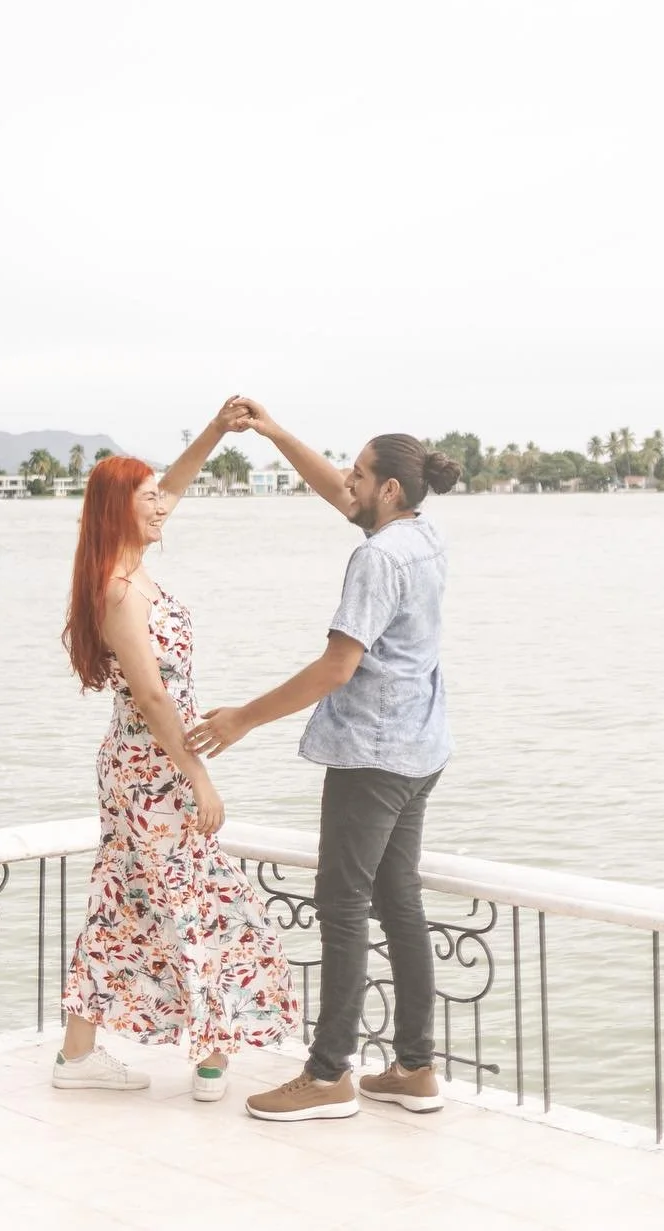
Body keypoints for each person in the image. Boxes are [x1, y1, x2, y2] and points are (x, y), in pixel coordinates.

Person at [188, 403, 461, 1121]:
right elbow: (343, 498)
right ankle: (414, 1066)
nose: (348, 480)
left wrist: (241, 718)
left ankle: (329, 1073)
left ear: (390, 490)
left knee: (342, 906)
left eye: (361, 472)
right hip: (421, 749)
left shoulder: (376, 557)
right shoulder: (424, 536)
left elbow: (340, 666)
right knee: (398, 899)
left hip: (373, 756)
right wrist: (276, 433)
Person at [56, 400, 298, 1102]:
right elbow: (157, 698)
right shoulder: (120, 590)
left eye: (161, 494)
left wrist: (219, 431)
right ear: (118, 511)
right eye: (148, 497)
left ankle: (78, 1056)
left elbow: (173, 487)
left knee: (123, 900)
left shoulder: (128, 565)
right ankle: (213, 1052)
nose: (163, 505)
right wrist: (200, 779)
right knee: (204, 898)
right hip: (152, 764)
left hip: (143, 760)